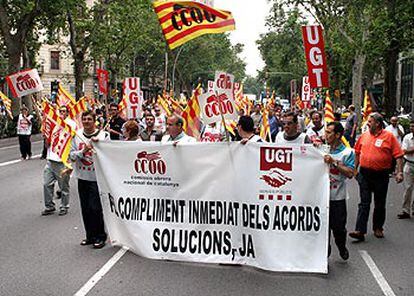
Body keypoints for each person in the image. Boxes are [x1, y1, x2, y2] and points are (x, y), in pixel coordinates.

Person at [349, 113, 404, 241]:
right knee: (364, 203)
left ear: (377, 123)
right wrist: (354, 169)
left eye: (370, 121)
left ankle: (378, 227)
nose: (367, 123)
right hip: (365, 174)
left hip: (381, 175)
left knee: (380, 203)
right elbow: (357, 153)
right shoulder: (364, 136)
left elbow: (398, 155)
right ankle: (360, 230)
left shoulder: (389, 137)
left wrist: (399, 172)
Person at [70, 111, 109, 249]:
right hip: (82, 177)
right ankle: (90, 236)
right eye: (84, 119)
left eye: (89, 119)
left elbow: (111, 155)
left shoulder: (104, 136)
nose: (86, 121)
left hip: (97, 178)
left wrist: (100, 148)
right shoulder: (77, 136)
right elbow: (71, 156)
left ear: (94, 121)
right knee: (85, 208)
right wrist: (83, 151)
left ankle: (100, 236)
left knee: (95, 208)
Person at [323, 121, 355, 260]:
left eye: (329, 132)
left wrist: (334, 162)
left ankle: (341, 246)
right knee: (323, 228)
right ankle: (325, 252)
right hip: (321, 197)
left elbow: (350, 173)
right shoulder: (321, 149)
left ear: (338, 135)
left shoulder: (348, 152)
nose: (326, 135)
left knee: (338, 228)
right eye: (326, 131)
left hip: (337, 197)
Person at [41, 106, 76, 216]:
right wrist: (46, 136)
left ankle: (64, 206)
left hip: (62, 162)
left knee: (63, 187)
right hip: (50, 160)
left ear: (67, 113)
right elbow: (47, 143)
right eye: (60, 111)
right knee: (46, 184)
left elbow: (70, 136)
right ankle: (49, 206)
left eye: (63, 111)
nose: (61, 113)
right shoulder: (53, 123)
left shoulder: (70, 124)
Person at [397, 120, 414, 219]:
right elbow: (403, 151)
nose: (412, 128)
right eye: (411, 126)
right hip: (409, 164)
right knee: (408, 188)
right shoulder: (407, 137)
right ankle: (405, 210)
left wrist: (410, 150)